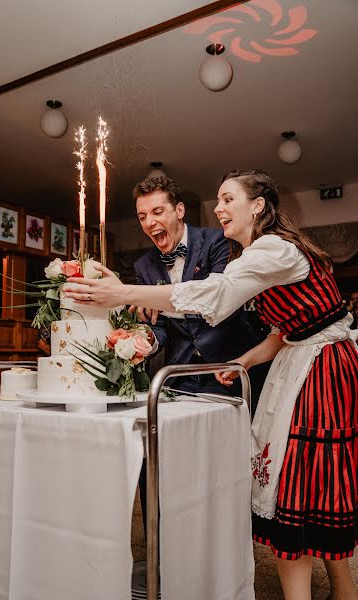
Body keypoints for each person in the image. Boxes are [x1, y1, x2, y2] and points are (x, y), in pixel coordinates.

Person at [64, 169, 358, 600]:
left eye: (227, 199)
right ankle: (345, 591)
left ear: (257, 205)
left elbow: (211, 295)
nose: (218, 208)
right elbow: (291, 328)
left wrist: (122, 293)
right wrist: (245, 358)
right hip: (303, 360)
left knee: (294, 490)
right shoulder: (261, 253)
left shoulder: (271, 249)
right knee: (313, 486)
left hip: (320, 371)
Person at [130, 174, 268, 399]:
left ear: (180, 211)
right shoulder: (143, 266)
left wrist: (150, 298)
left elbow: (216, 299)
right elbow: (158, 325)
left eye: (157, 212)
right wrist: (147, 339)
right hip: (180, 374)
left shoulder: (218, 241)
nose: (149, 223)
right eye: (142, 216)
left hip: (228, 366)